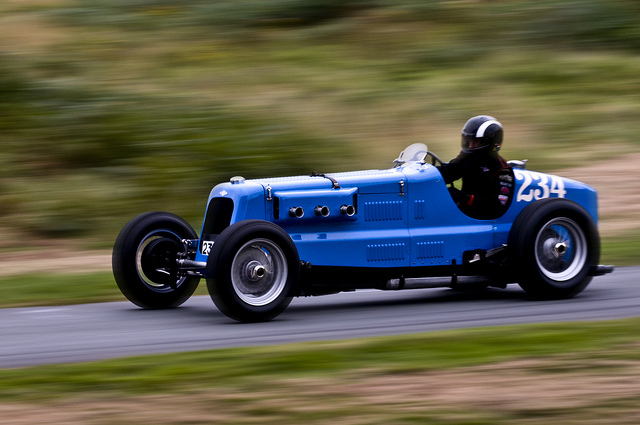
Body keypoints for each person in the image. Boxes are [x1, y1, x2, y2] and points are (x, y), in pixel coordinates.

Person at [437, 115, 513, 220]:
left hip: (481, 220)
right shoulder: (467, 158)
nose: (471, 145)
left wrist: (462, 197)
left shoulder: (502, 171)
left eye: (475, 141)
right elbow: (448, 172)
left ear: (490, 142)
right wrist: (428, 173)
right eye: (469, 141)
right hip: (462, 211)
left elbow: (496, 206)